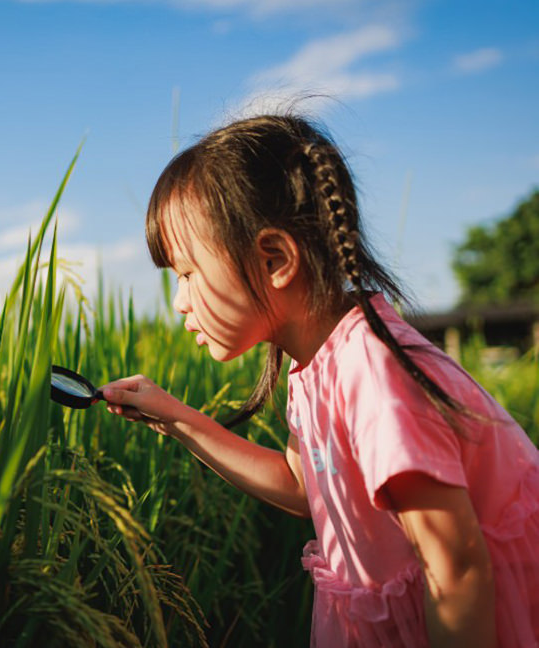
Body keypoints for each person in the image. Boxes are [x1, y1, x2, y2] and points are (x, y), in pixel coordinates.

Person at [99, 113, 539, 647]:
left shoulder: (375, 377)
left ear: (276, 258)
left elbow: (458, 572)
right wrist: (177, 419)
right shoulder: (317, 365)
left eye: (188, 273)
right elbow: (305, 486)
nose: (180, 301)